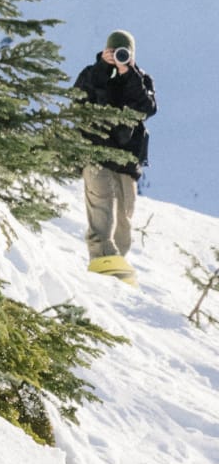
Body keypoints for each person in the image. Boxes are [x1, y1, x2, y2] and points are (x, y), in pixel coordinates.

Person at [71, 30, 157, 279]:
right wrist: (102, 68)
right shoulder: (92, 74)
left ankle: (116, 268)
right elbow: (78, 103)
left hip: (126, 161)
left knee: (123, 221)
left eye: (124, 52)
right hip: (96, 154)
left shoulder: (141, 80)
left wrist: (127, 74)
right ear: (106, 50)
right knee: (102, 210)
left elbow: (147, 108)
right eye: (114, 51)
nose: (119, 56)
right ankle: (101, 262)